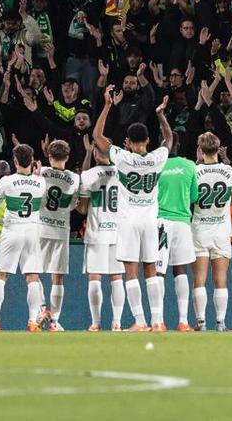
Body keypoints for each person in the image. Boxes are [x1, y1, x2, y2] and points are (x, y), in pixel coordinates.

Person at [93, 86, 172, 332]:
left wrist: (107, 105)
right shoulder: (158, 157)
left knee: (130, 272)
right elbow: (169, 140)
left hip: (128, 221)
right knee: (151, 270)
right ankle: (157, 321)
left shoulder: (123, 157)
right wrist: (160, 116)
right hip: (150, 220)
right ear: (148, 140)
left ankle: (140, 321)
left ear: (128, 141)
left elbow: (97, 137)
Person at [0, 143, 46, 332]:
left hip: (12, 231)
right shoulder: (41, 182)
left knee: (1, 275)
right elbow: (42, 205)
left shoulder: (7, 181)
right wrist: (37, 177)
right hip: (32, 230)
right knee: (32, 277)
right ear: (32, 161)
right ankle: (33, 321)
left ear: (15, 161)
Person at [190, 132, 232, 332]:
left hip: (199, 230)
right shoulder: (228, 171)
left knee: (199, 279)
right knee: (220, 279)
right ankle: (221, 323)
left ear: (200, 150)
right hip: (221, 230)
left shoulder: (194, 171)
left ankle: (201, 323)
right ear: (218, 149)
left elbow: (190, 200)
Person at [78, 146, 126, 331]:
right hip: (118, 232)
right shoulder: (122, 172)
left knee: (95, 278)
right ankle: (117, 322)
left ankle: (96, 323)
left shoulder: (90, 174)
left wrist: (87, 154)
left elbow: (83, 208)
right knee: (117, 278)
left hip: (97, 232)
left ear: (95, 153)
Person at [155, 147, 199, 331]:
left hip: (161, 222)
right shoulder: (189, 165)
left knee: (158, 271)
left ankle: (158, 321)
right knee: (180, 270)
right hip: (182, 222)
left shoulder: (156, 163)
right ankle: (183, 321)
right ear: (179, 146)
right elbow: (195, 196)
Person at [37, 139, 78, 331]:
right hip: (61, 230)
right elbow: (73, 205)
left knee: (33, 272)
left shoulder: (41, 172)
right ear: (67, 157)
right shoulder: (75, 178)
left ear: (49, 156)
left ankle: (42, 308)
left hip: (41, 228)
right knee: (58, 277)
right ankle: (54, 322)